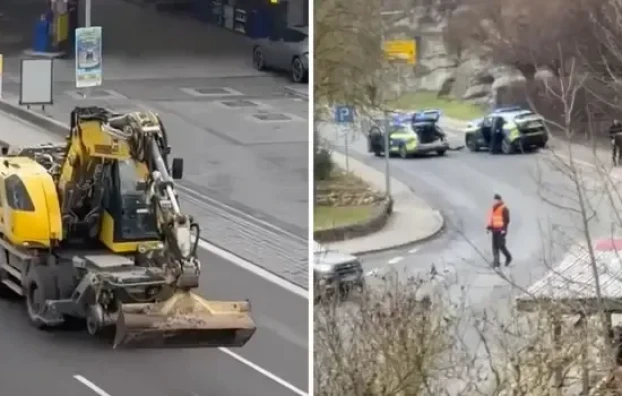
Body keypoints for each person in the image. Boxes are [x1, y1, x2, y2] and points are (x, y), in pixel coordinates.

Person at [486, 194, 512, 268]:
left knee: (501, 245)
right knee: (494, 246)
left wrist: (504, 229)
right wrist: (489, 227)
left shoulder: (504, 208)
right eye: (495, 200)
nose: (495, 201)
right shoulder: (493, 208)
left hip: (501, 230)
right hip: (494, 230)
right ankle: (496, 262)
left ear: (500, 200)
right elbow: (492, 219)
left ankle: (508, 257)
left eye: (497, 200)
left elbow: (507, 220)